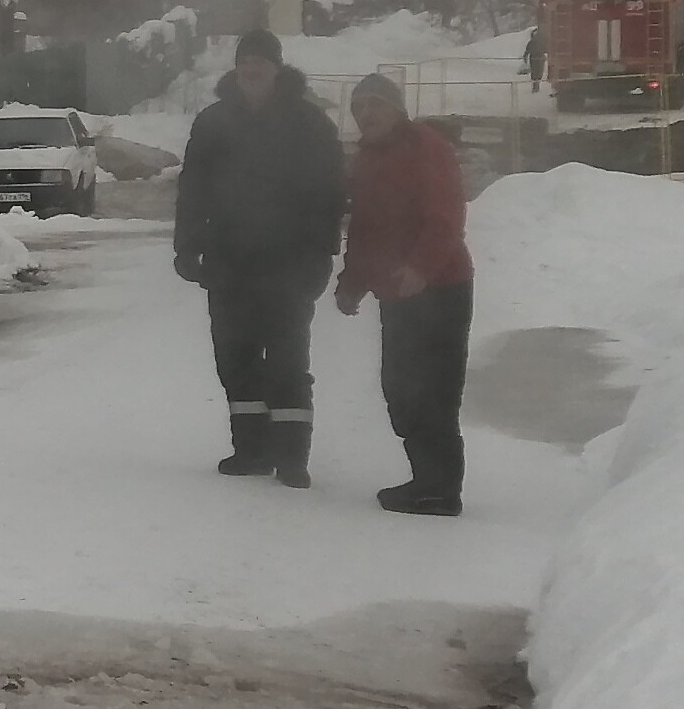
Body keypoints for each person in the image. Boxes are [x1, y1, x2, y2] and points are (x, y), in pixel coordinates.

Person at [171, 27, 346, 486]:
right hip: (229, 264)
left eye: (261, 62)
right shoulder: (213, 122)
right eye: (245, 60)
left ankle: (291, 458)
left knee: (287, 362)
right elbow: (193, 189)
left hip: (289, 264)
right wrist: (187, 246)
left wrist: (322, 256)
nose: (252, 69)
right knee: (236, 359)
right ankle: (250, 451)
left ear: (276, 68)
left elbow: (331, 194)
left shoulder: (309, 123)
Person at [334, 72, 474, 515]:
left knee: (433, 392)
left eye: (374, 103)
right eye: (358, 107)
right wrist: (351, 284)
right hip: (396, 294)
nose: (365, 114)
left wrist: (420, 267)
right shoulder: (367, 161)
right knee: (400, 390)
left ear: (397, 109)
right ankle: (426, 479)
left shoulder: (425, 147)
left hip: (441, 287)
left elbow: (445, 215)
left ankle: (440, 489)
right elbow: (366, 230)